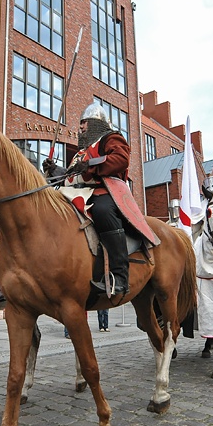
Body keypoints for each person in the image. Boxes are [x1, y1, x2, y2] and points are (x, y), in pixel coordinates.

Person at [43, 101, 133, 298]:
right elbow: (71, 176)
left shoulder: (110, 138)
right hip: (74, 194)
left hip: (101, 192)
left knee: (102, 211)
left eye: (84, 122)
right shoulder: (80, 153)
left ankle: (120, 276)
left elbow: (121, 159)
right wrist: (54, 170)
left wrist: (90, 164)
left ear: (96, 122)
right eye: (80, 123)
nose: (81, 126)